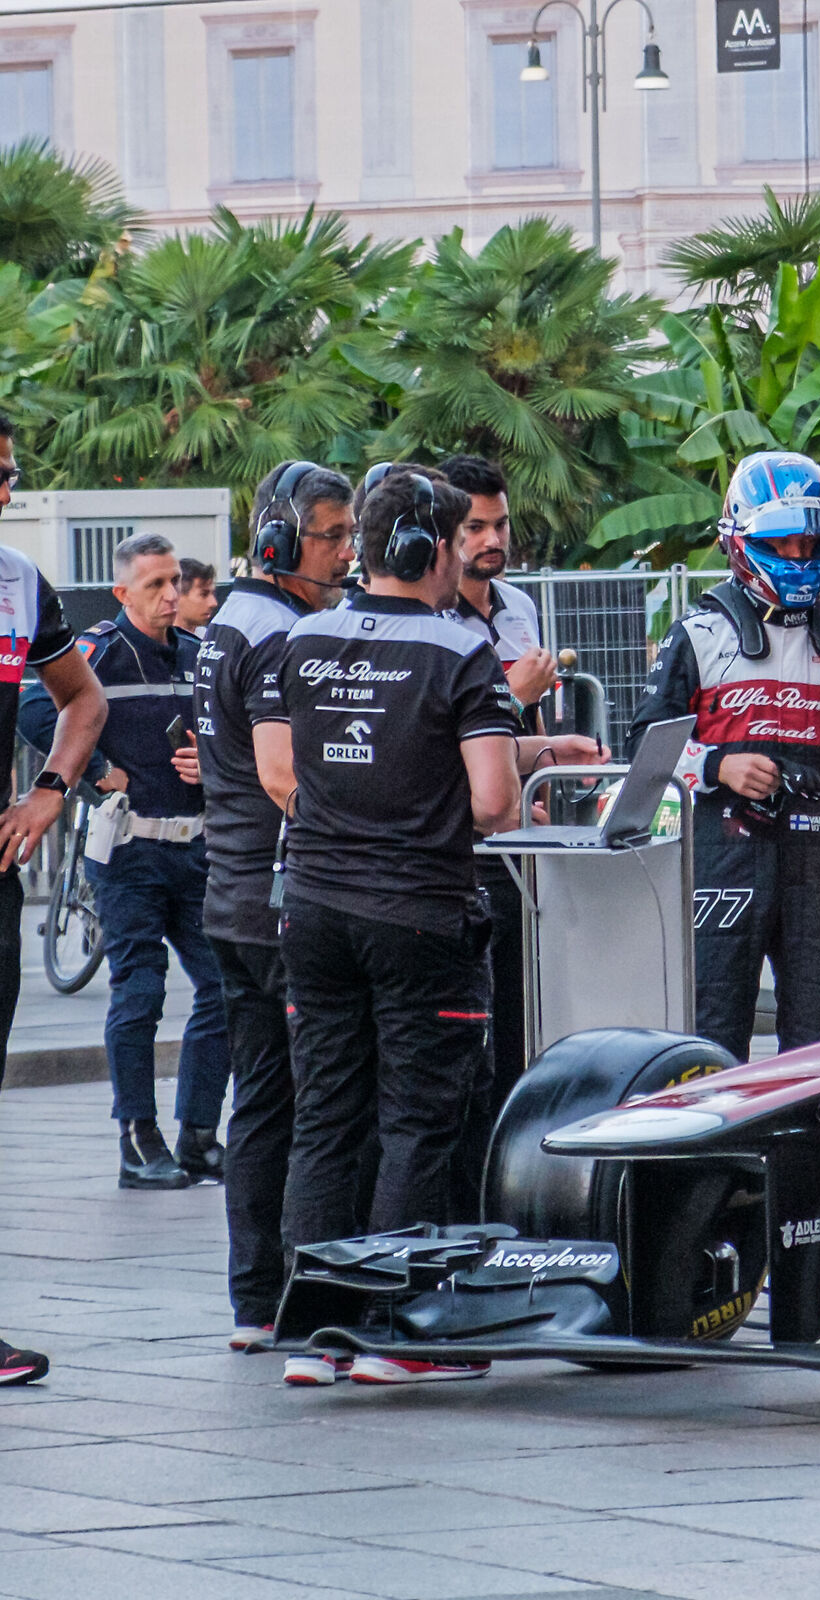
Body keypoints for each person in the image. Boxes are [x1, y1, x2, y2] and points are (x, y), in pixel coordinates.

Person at [254, 469, 595, 1387]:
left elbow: (285, 771)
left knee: (325, 1116)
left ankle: (315, 1331)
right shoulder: (457, 650)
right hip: (420, 913)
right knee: (417, 1120)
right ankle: (402, 1334)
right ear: (428, 549)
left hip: (314, 908)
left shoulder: (303, 638)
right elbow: (489, 801)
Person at [629, 452, 820, 1061]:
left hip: (818, 867)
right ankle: (721, 1159)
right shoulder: (700, 633)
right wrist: (717, 767)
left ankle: (809, 1160)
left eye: (811, 544)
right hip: (721, 864)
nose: (796, 558)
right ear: (739, 541)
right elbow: (643, 748)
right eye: (779, 543)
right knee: (713, 1041)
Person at [194, 459, 354, 1352]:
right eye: (331, 536)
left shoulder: (228, 621)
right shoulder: (281, 634)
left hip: (232, 895)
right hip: (280, 900)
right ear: (279, 540)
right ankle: (299, 1293)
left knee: (261, 1101)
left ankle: (255, 1302)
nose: (345, 554)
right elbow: (282, 774)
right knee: (315, 1105)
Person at [21, 534, 229, 1188]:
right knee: (139, 989)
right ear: (123, 593)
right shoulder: (100, 651)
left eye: (174, 582)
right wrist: (93, 771)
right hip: (127, 850)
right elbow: (35, 706)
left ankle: (198, 1134)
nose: (171, 596)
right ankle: (138, 1142)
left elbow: (236, 729)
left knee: (223, 987)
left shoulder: (200, 654)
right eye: (155, 586)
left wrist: (215, 764)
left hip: (193, 846)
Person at [0, 410, 107, 1387]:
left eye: (7, 473)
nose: (2, 490)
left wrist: (50, 789)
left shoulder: (19, 584)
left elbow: (83, 698)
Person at [436, 454, 550, 1183]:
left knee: (517, 1029)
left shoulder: (519, 608)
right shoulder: (426, 616)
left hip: (517, 849)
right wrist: (513, 691)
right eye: (475, 526)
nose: (491, 538)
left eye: (500, 523)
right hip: (451, 856)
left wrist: (546, 762)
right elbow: (438, 731)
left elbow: (514, 736)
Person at [175, 559, 218, 633]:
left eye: (213, 594)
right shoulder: (157, 641)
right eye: (204, 594)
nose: (213, 603)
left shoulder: (207, 637)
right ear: (177, 596)